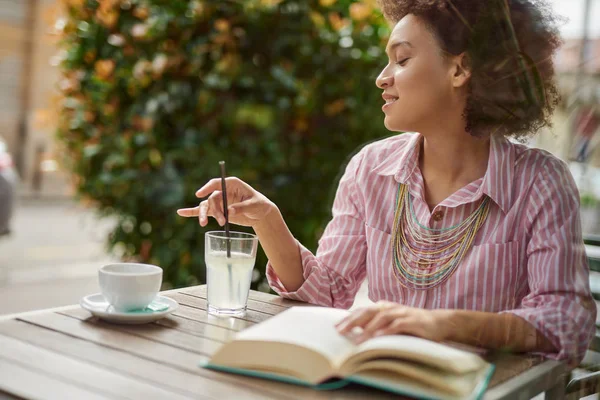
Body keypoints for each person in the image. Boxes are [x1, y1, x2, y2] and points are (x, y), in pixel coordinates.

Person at [178, 0, 596, 366]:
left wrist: (444, 325)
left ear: (460, 68)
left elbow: (566, 324)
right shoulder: (370, 169)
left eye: (402, 59)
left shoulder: (539, 182)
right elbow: (330, 293)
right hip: (383, 381)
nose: (382, 77)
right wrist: (268, 220)